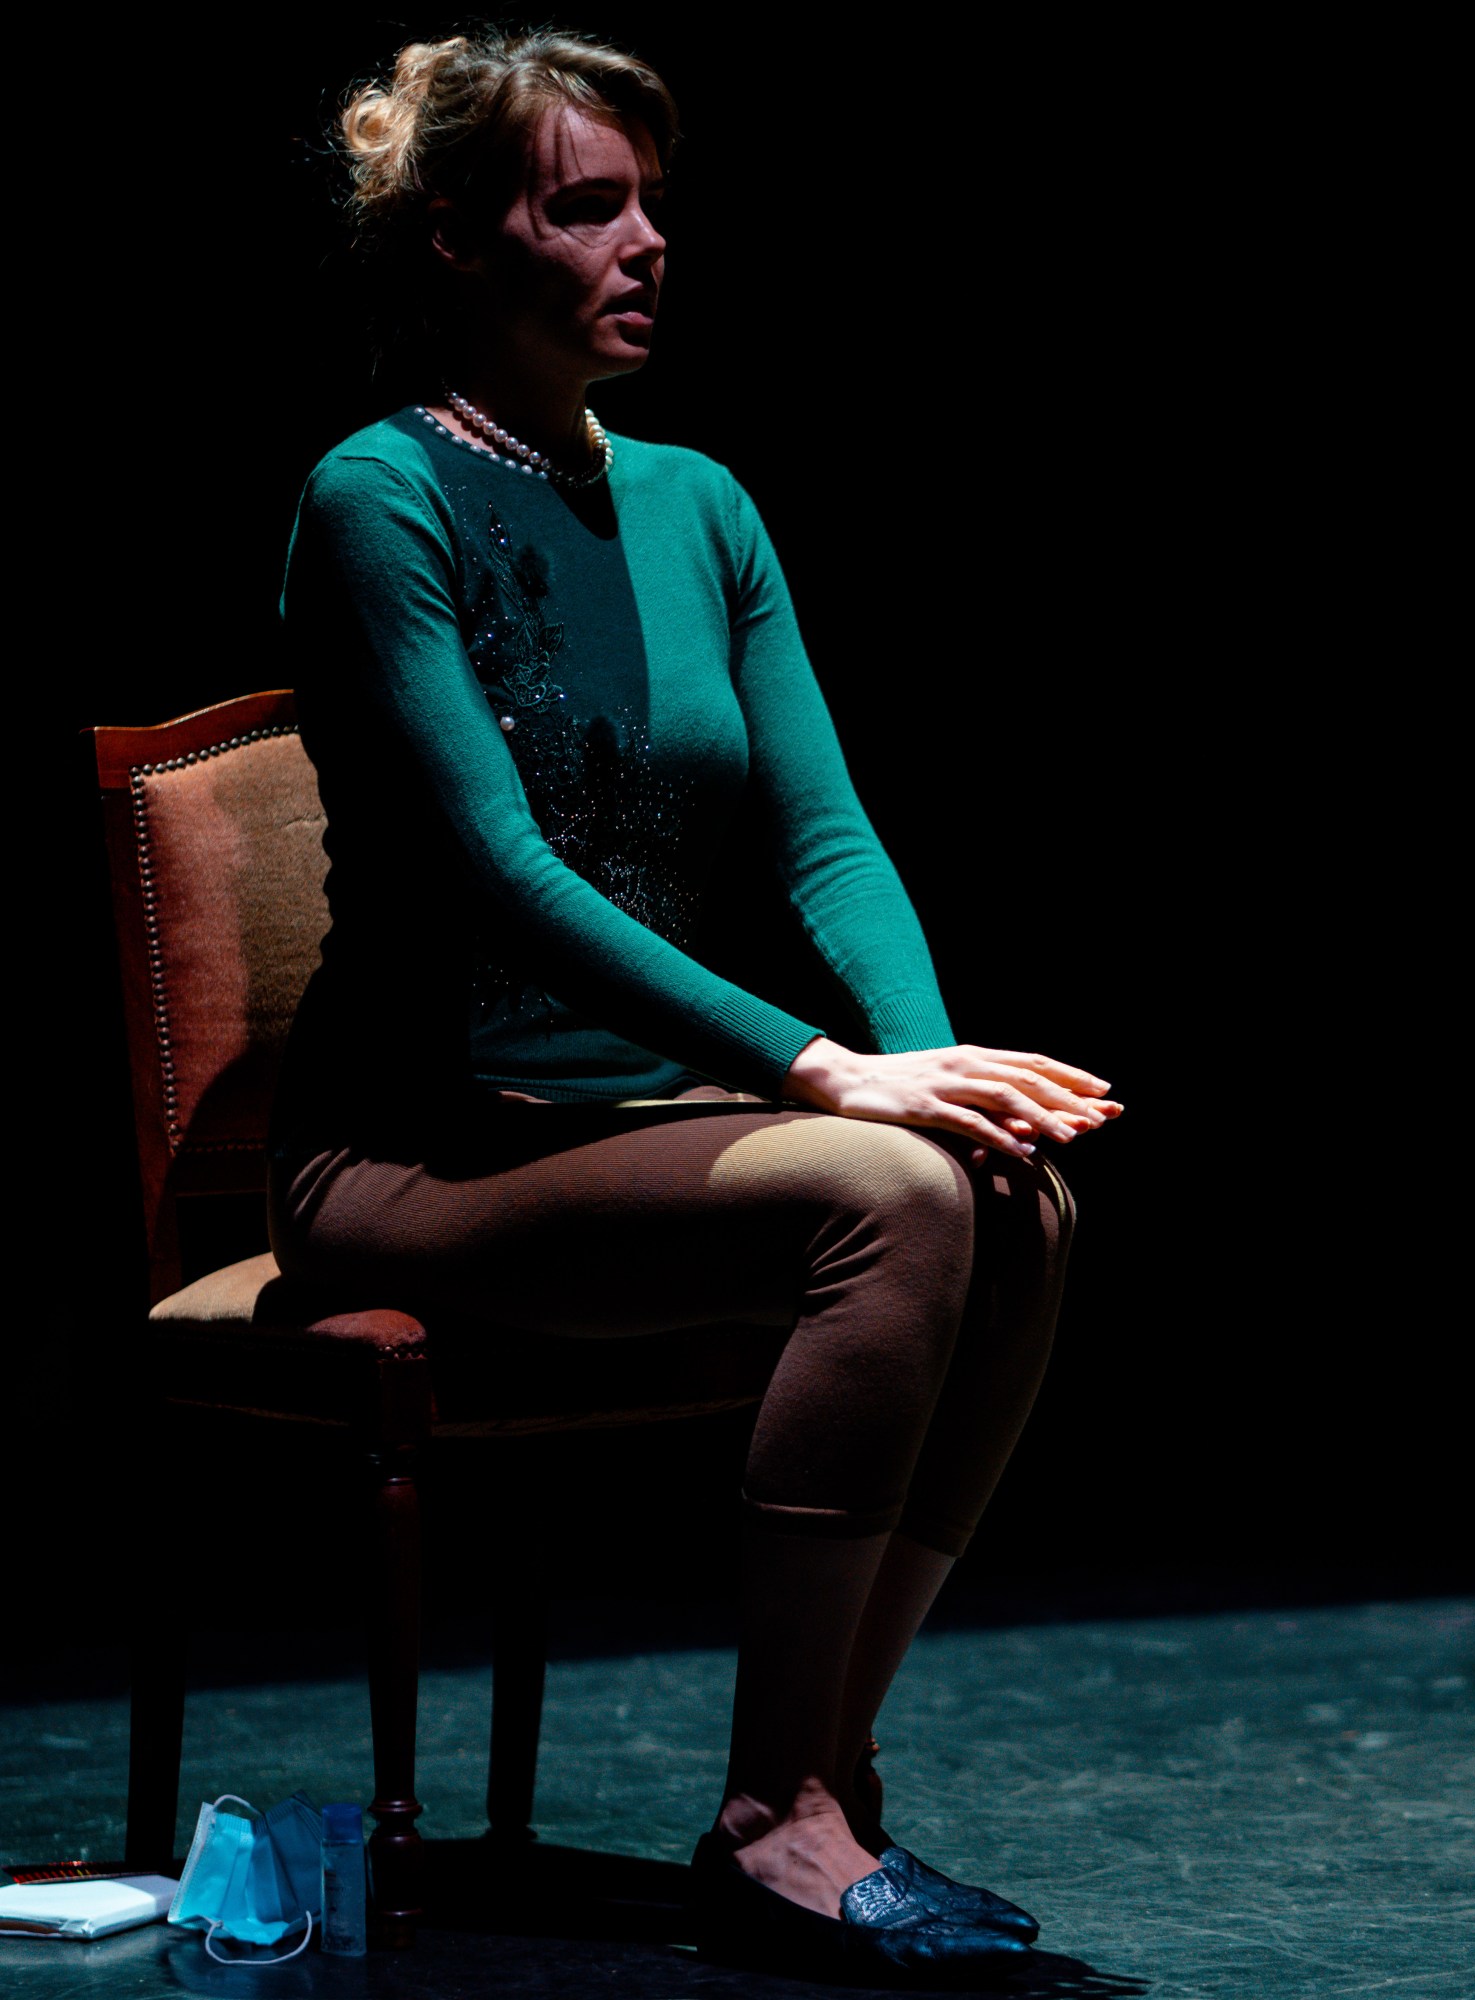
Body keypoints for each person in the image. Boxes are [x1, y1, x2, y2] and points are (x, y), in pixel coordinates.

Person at [269, 28, 1120, 1977]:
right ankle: (776, 1812)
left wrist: (927, 1063)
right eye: (589, 206)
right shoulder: (377, 498)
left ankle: (822, 1775)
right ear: (460, 239)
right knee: (887, 1197)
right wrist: (826, 1074)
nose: (647, 242)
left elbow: (825, 833)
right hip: (421, 1146)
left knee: (1011, 1191)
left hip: (636, 1121)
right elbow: (501, 871)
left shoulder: (699, 503)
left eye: (653, 203)